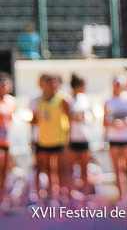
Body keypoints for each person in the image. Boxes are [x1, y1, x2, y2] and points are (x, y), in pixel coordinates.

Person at [29, 73, 71, 204]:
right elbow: (34, 121)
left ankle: (62, 196)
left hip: (59, 140)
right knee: (43, 169)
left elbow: (70, 119)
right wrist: (32, 139)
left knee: (60, 170)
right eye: (48, 82)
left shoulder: (63, 99)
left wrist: (68, 139)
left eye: (54, 82)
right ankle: (44, 197)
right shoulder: (37, 100)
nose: (52, 85)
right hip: (43, 140)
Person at [103, 75, 127, 204]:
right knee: (118, 169)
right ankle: (122, 197)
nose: (118, 87)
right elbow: (104, 122)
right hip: (114, 139)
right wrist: (113, 124)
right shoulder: (108, 101)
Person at [67, 74, 95, 201]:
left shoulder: (85, 99)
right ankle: (72, 195)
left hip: (84, 137)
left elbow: (92, 115)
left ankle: (86, 195)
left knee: (85, 168)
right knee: (71, 169)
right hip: (71, 138)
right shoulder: (68, 100)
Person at [0, 73, 16, 212]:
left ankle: (3, 201)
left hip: (7, 141)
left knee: (5, 172)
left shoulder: (11, 101)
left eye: (7, 84)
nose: (5, 87)